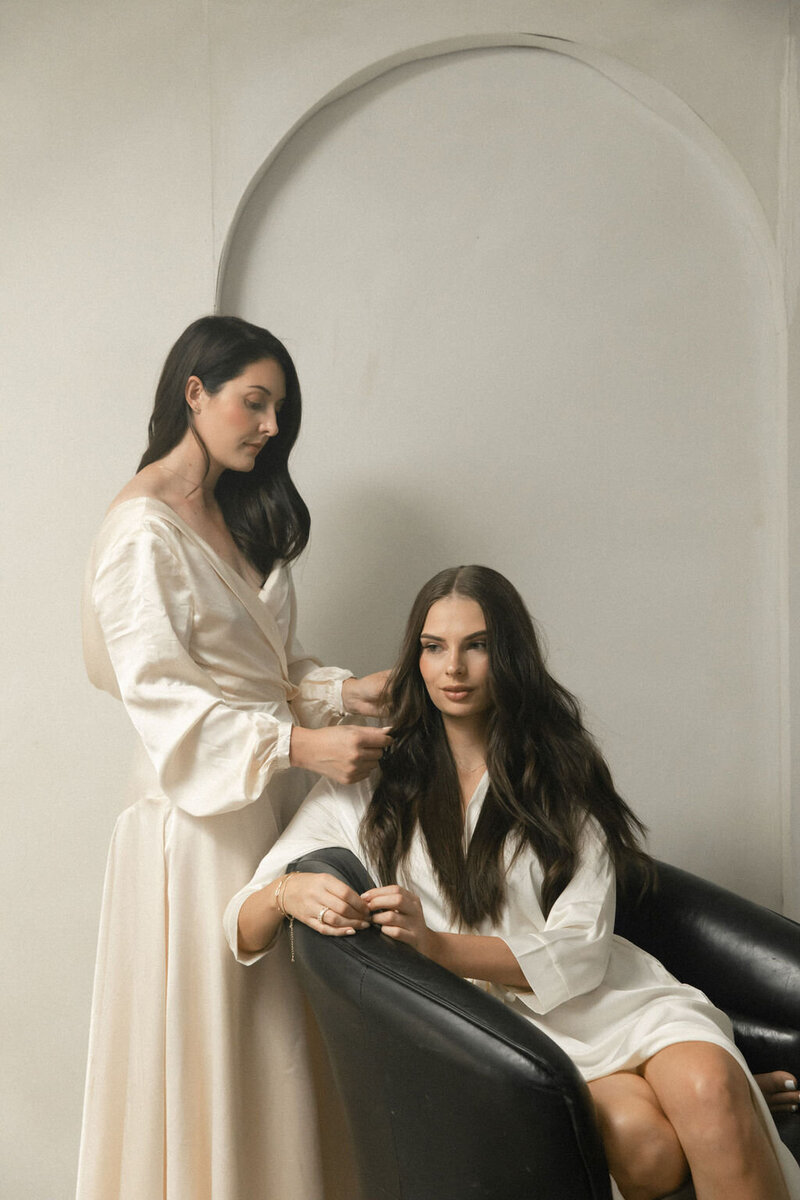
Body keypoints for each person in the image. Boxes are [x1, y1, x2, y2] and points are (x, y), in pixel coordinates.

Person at [225, 565, 800, 1200]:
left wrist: (434, 945)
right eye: (434, 647)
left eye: (478, 645)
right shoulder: (370, 783)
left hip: (608, 999)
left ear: (509, 655)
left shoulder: (562, 771)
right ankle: (723, 1104)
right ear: (415, 658)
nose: (454, 668)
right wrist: (285, 893)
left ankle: (726, 1092)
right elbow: (241, 922)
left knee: (711, 1090)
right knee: (649, 1148)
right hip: (507, 1037)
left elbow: (581, 949)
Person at [77, 315, 390, 1200]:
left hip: (264, 802)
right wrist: (301, 743)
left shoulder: (225, 513)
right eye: (254, 403)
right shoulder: (142, 531)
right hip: (197, 821)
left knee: (280, 1042)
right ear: (194, 394)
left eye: (278, 411)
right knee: (222, 1036)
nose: (269, 427)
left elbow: (262, 673)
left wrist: (351, 694)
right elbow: (165, 700)